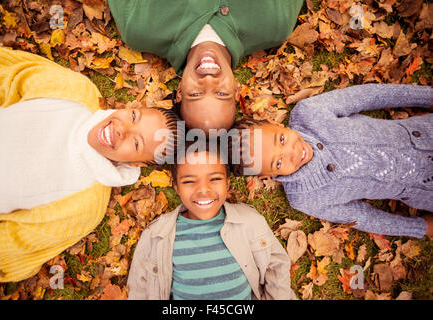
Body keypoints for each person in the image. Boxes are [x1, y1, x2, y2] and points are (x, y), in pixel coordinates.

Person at [0, 45, 180, 283]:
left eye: (136, 143)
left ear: (137, 163)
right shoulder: (76, 92)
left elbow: (5, 246)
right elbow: (2, 76)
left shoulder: (85, 207)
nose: (121, 129)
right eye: (134, 117)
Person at [230, 84, 433, 239]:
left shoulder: (309, 113)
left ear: (274, 123)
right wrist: (418, 227)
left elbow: (367, 96)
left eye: (282, 139)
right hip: (425, 190)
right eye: (278, 163)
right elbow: (362, 217)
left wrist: (426, 96)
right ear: (268, 176)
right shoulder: (305, 198)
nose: (292, 152)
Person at [126, 141, 296, 299]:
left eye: (214, 179)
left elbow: (277, 265)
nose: (203, 190)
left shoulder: (250, 221)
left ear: (227, 183)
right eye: (189, 181)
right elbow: (139, 289)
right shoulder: (156, 234)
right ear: (176, 187)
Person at [108, 0, 304, 132]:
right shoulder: (275, 24)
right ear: (236, 90)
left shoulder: (139, 27)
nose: (209, 81)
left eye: (195, 94)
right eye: (221, 94)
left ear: (179, 92)